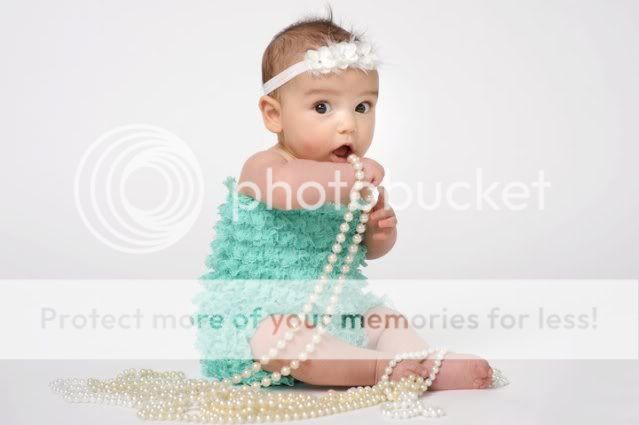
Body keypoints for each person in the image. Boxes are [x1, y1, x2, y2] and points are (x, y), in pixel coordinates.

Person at [194, 10, 494, 390]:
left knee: (383, 318)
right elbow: (288, 189)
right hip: (258, 319)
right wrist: (348, 179)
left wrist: (378, 230)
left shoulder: (350, 184)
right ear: (274, 115)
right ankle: (375, 370)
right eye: (322, 107)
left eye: (362, 107)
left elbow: (368, 252)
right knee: (279, 336)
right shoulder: (265, 167)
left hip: (335, 312)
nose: (348, 124)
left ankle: (418, 363)